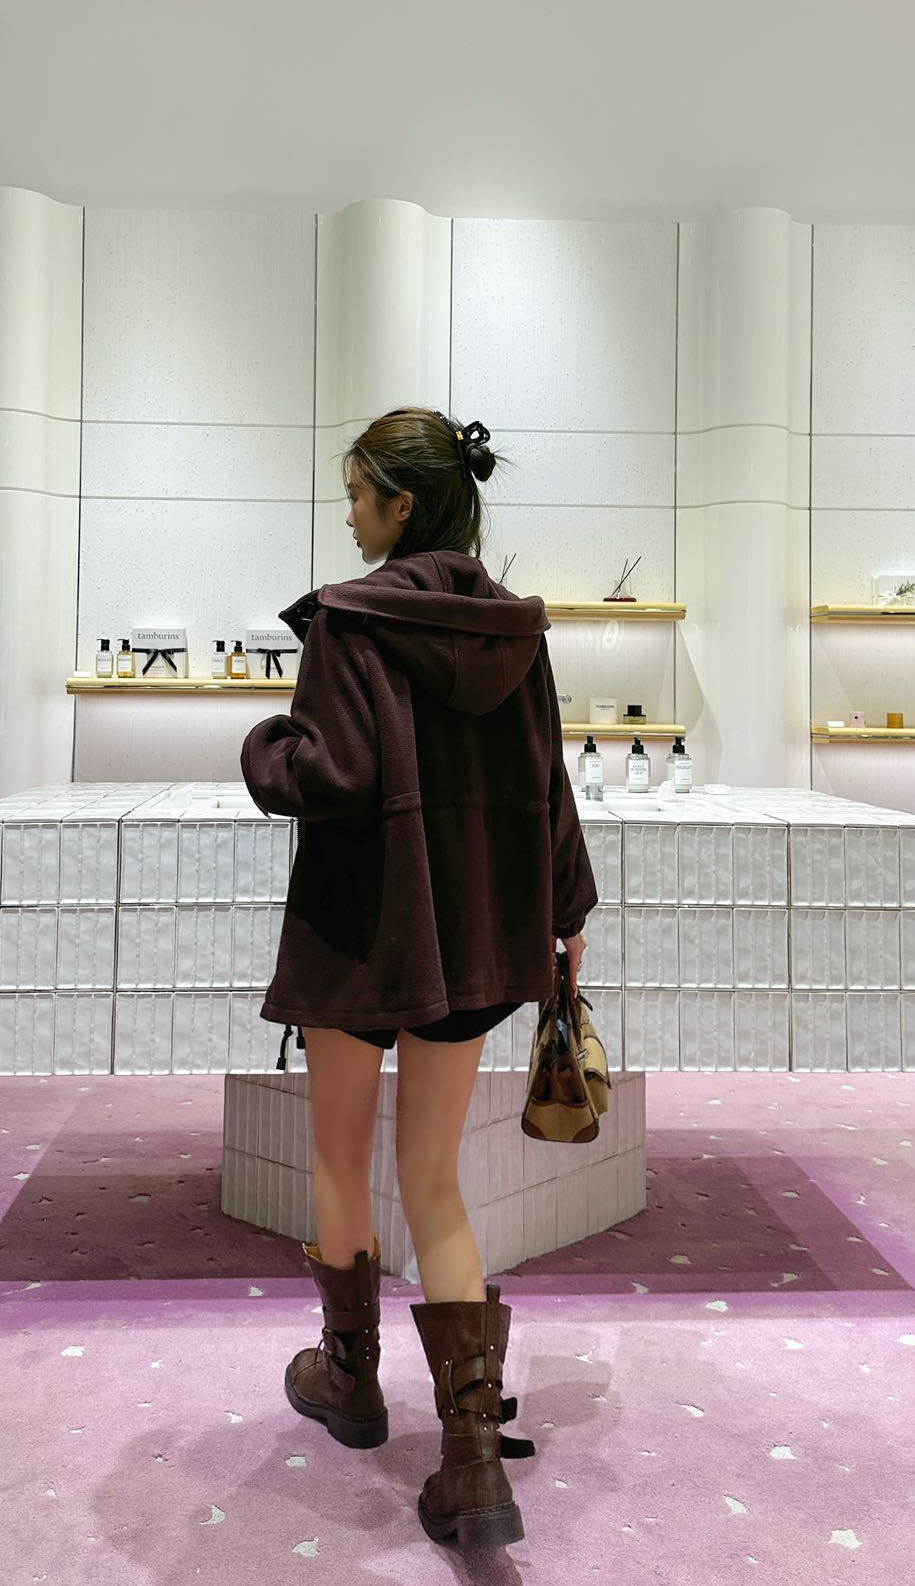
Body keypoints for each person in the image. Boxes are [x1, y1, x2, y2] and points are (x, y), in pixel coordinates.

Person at [240, 405, 598, 1551]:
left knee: (339, 1158)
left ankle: (349, 1378)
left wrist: (264, 746)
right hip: (471, 938)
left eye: (356, 494)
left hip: (361, 934)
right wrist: (564, 914)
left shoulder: (348, 622)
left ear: (400, 504)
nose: (347, 515)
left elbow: (331, 774)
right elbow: (547, 785)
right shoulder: (514, 631)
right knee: (433, 1177)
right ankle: (471, 1458)